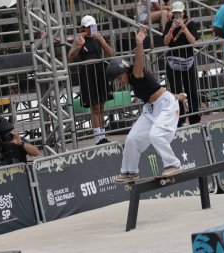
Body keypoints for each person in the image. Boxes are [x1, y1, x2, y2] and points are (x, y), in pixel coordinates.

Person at [106, 27, 182, 182]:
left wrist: (139, 43)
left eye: (120, 78)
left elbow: (139, 61)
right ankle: (130, 171)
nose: (120, 82)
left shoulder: (136, 74)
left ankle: (173, 164)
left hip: (166, 106)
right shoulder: (134, 79)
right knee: (132, 138)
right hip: (151, 109)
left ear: (126, 71)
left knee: (156, 134)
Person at [67, 15, 115, 145]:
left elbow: (111, 54)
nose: (91, 29)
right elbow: (69, 57)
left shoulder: (98, 38)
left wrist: (102, 40)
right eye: (88, 27)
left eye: (93, 26)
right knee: (94, 106)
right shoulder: (79, 39)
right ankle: (98, 138)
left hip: (100, 71)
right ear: (83, 28)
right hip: (87, 72)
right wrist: (79, 46)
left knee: (101, 105)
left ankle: (103, 135)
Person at [162, 1, 201, 126]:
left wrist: (184, 28)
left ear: (184, 12)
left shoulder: (191, 24)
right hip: (173, 63)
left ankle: (195, 118)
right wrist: (172, 28)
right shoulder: (169, 24)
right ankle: (180, 119)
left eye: (179, 12)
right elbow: (166, 42)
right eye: (175, 13)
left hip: (187, 62)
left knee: (192, 90)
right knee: (176, 92)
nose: (177, 15)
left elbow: (192, 41)